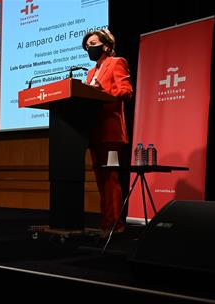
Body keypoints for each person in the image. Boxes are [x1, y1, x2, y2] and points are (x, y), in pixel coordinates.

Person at [82, 29, 133, 235]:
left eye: (92, 43)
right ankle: (105, 224)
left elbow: (126, 91)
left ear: (105, 45)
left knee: (111, 178)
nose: (89, 48)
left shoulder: (117, 62)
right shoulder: (90, 73)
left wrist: (103, 92)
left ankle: (115, 226)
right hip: (94, 132)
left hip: (111, 133)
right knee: (101, 180)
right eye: (86, 46)